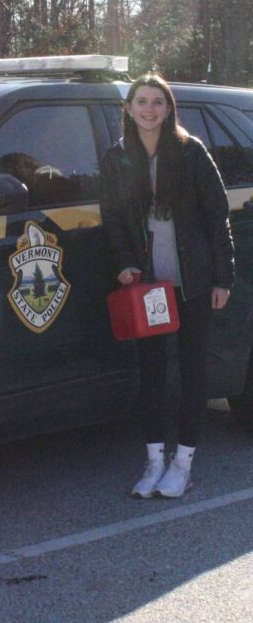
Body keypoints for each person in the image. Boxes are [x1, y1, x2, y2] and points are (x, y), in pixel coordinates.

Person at [100, 73, 234, 499]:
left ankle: (183, 463)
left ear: (168, 107)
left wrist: (222, 277)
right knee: (152, 373)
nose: (149, 108)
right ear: (129, 108)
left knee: (192, 372)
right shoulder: (118, 157)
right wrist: (126, 264)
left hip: (191, 282)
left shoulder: (191, 152)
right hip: (149, 289)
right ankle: (154, 460)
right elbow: (115, 220)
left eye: (157, 101)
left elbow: (218, 216)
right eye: (141, 101)